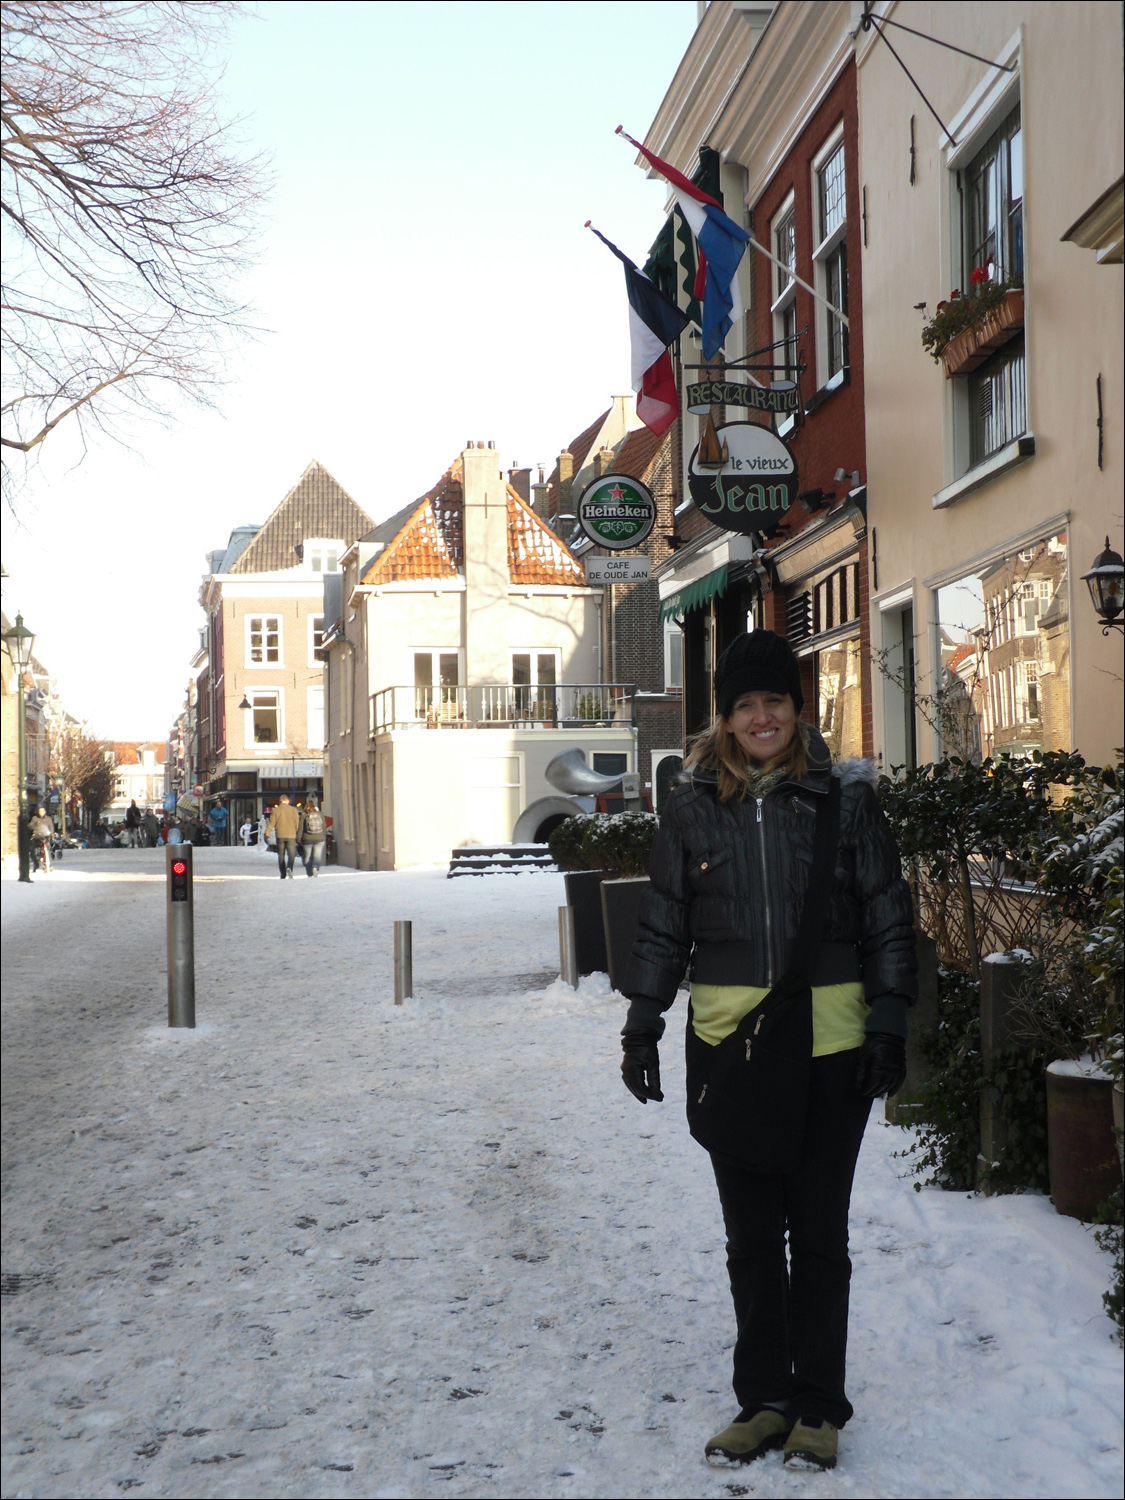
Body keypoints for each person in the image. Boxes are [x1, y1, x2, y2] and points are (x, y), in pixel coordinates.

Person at [620, 630, 916, 1474]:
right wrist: (642, 1023)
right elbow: (664, 921)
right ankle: (763, 1400)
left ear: (796, 711)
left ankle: (818, 1404)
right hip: (727, 1042)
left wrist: (889, 1016)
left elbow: (886, 913)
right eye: (745, 704)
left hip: (831, 1042)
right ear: (723, 718)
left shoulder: (844, 802)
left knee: (817, 1231)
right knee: (750, 1236)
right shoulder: (689, 806)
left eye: (774, 703)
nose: (760, 717)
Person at [265, 794, 302, 880]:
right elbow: (297, 823)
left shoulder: (276, 810)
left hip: (280, 835)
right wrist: (295, 831)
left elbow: (271, 824)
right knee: (291, 854)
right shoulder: (293, 810)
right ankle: (289, 868)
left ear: (280, 801)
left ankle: (283, 874)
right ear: (288, 801)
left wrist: (266, 834)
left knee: (281, 855)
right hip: (291, 836)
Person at [299, 797, 327, 877]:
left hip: (307, 839)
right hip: (319, 838)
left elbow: (300, 828)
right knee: (317, 855)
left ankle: (309, 873)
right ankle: (315, 867)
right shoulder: (320, 814)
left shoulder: (304, 816)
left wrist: (299, 839)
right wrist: (323, 836)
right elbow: (324, 826)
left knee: (308, 856)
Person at [29, 805, 54, 872]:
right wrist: (34, 827)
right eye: (40, 811)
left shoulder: (48, 819)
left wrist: (51, 834)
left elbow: (51, 827)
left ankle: (49, 865)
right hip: (38, 836)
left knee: (48, 850)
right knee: (34, 851)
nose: (42, 812)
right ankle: (36, 865)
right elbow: (30, 825)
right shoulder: (35, 818)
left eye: (43, 811)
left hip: (46, 836)